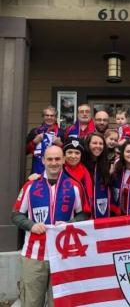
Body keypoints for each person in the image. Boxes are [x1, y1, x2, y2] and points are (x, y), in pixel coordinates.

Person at [12, 145, 87, 307]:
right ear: (44, 160)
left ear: (63, 161)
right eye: (50, 159)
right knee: (31, 303)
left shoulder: (74, 186)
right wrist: (31, 225)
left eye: (57, 159)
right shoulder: (30, 186)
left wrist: (70, 224)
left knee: (59, 303)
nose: (54, 163)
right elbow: (16, 215)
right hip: (34, 256)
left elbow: (84, 214)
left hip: (63, 256)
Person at [26, 106, 64, 174]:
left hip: (56, 171)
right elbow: (25, 151)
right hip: (37, 171)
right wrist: (34, 142)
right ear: (43, 117)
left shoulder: (62, 133)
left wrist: (60, 144)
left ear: (55, 118)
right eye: (47, 115)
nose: (49, 117)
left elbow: (68, 153)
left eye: (52, 116)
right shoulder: (35, 132)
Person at [83, 132, 114, 218]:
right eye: (94, 143)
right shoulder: (81, 164)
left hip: (103, 210)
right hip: (85, 213)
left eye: (101, 144)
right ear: (88, 145)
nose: (98, 146)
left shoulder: (108, 165)